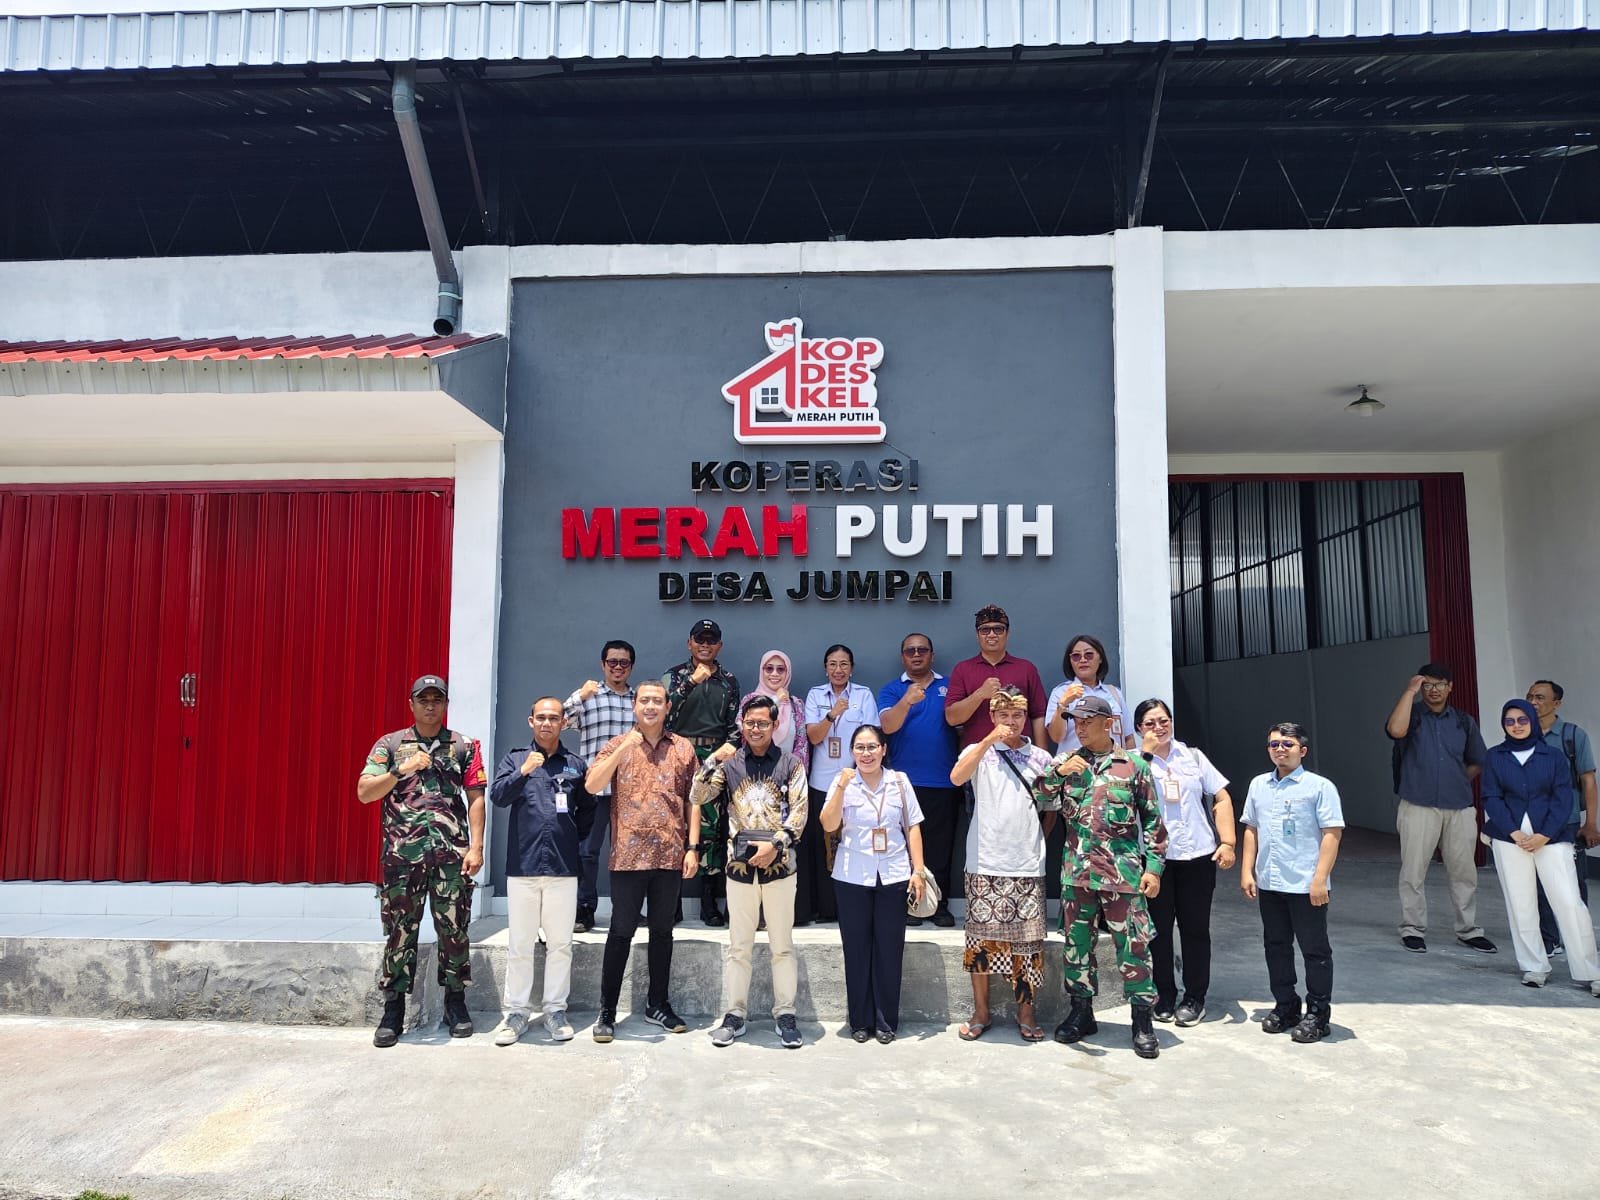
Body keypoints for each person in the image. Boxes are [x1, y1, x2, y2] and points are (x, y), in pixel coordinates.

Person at [1032, 695, 1166, 1060]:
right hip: (1077, 874)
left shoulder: (1133, 765)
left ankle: (1142, 1019)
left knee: (1134, 947)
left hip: (1123, 874)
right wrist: (1059, 773)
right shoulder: (1067, 763)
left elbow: (1153, 822)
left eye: (1088, 721)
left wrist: (1154, 869)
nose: (1080, 727)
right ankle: (1081, 1012)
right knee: (1077, 947)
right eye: (1076, 721)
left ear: (1108, 724)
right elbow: (1038, 793)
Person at [357, 674, 487, 1048]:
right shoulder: (390, 745)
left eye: (437, 699)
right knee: (400, 932)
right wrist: (401, 769)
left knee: (454, 930)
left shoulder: (464, 745)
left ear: (445, 704)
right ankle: (393, 1010)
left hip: (451, 857)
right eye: (424, 700)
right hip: (403, 858)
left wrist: (476, 847)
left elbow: (476, 798)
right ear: (411, 704)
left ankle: (455, 1004)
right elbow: (365, 792)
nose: (430, 706)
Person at [584, 682, 700, 1042]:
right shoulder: (617, 744)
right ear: (634, 706)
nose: (650, 706)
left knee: (662, 932)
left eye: (657, 701)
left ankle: (657, 1004)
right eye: (644, 700)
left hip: (669, 854)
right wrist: (623, 750)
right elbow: (592, 785)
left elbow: (693, 799)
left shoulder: (682, 748)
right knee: (621, 931)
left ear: (667, 707)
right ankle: (607, 1010)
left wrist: (693, 847)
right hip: (628, 856)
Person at [691, 696, 810, 1049]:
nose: (756, 729)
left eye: (763, 723)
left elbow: (800, 812)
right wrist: (713, 759)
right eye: (750, 723)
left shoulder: (790, 764)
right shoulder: (731, 765)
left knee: (782, 946)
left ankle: (785, 1014)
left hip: (780, 868)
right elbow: (698, 795)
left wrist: (776, 844)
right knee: (739, 947)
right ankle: (734, 1015)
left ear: (775, 725)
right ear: (742, 725)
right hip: (739, 868)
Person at [948, 688, 1055, 1042]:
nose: (1011, 722)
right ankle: (982, 1011)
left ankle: (1026, 1013)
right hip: (984, 860)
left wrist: (1036, 840)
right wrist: (987, 741)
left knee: (1028, 944)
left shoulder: (1040, 757)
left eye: (1017, 715)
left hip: (1026, 862)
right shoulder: (978, 751)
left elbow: (1051, 807)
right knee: (980, 941)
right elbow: (957, 777)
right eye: (1004, 715)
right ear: (993, 717)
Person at [488, 697, 596, 1046]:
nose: (547, 723)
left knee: (560, 944)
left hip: (563, 868)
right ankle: (516, 1012)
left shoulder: (575, 764)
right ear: (531, 721)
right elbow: (498, 796)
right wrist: (522, 772)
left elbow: (588, 811)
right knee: (520, 943)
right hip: (523, 866)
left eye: (554, 718)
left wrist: (571, 839)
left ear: (564, 723)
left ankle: (555, 1010)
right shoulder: (515, 759)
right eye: (541, 718)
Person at [1479, 698, 1600, 995]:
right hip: (1510, 838)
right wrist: (1513, 832)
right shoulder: (1495, 756)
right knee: (1520, 903)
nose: (1516, 726)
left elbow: (1563, 797)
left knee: (1569, 901)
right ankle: (1534, 966)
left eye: (1522, 720)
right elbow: (1491, 796)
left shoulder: (1553, 756)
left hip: (1552, 837)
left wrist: (1544, 834)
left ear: (1532, 721)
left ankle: (1590, 971)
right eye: (1510, 721)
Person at [1133, 698, 1237, 1028]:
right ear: (1139, 729)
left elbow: (1221, 796)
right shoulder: (1134, 761)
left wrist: (1228, 842)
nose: (1158, 728)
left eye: (1163, 720)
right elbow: (1127, 795)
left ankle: (1195, 997)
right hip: (1155, 861)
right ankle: (1164, 994)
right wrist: (1146, 755)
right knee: (1158, 931)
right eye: (1150, 723)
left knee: (1195, 929)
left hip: (1197, 857)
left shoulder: (1192, 757)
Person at [821, 724, 928, 1043]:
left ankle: (885, 1021)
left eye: (872, 747)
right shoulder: (843, 781)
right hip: (852, 874)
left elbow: (912, 827)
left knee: (889, 949)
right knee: (856, 949)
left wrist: (918, 870)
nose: (866, 753)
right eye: (860, 748)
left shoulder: (900, 781)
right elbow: (828, 823)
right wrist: (842, 785)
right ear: (852, 752)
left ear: (883, 750)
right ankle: (859, 1021)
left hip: (894, 873)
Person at [1240, 722, 1345, 1044]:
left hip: (1305, 884)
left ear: (1303, 750)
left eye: (1287, 744)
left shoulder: (1319, 787)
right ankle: (1286, 1005)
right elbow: (1251, 829)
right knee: (1276, 946)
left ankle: (1318, 1014)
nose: (1280, 749)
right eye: (1274, 744)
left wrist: (1319, 879)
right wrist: (1247, 871)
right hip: (1270, 882)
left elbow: (1332, 833)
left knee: (1315, 950)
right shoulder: (1259, 785)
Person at [1385, 663, 1495, 955]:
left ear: (1450, 687)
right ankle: (1412, 929)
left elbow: (1477, 760)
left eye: (1439, 684)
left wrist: (1456, 780)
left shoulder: (1462, 721)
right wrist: (1409, 693)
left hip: (1458, 807)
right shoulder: (1412, 716)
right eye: (1427, 685)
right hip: (1417, 805)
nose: (1433, 690)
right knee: (1413, 871)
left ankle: (1468, 930)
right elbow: (1395, 730)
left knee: (1464, 872)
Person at [663, 618, 742, 927]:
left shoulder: (729, 681)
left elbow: (734, 727)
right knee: (674, 823)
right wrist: (691, 682)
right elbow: (661, 713)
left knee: (710, 827)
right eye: (700, 639)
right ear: (690, 643)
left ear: (719, 645)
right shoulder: (674, 676)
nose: (705, 645)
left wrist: (726, 752)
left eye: (711, 640)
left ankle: (709, 901)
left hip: (713, 757)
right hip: (678, 753)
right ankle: (671, 903)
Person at [879, 632, 961, 927]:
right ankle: (910, 905)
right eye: (910, 650)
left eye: (922, 650)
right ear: (902, 656)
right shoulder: (892, 690)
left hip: (943, 781)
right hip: (903, 783)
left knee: (940, 848)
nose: (916, 654)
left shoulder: (949, 686)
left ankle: (938, 905)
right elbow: (887, 725)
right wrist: (907, 701)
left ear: (931, 654)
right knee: (903, 849)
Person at [798, 644, 880, 925]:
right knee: (822, 846)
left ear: (852, 669)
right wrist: (832, 714)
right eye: (832, 664)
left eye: (844, 664)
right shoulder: (815, 695)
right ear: (825, 668)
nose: (838, 670)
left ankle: (852, 906)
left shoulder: (863, 695)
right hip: (822, 782)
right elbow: (813, 736)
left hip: (855, 781)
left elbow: (871, 736)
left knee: (853, 843)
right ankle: (826, 908)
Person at [562, 639, 637, 933]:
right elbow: (558, 722)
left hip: (630, 791)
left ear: (631, 666)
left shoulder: (638, 700)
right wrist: (579, 696)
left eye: (624, 662)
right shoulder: (589, 696)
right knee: (587, 851)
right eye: (612, 662)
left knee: (629, 853)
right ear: (602, 664)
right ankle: (584, 909)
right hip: (594, 789)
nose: (618, 667)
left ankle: (627, 911)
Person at [1526, 679, 1599, 956]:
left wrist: (1590, 823)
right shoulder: (1522, 733)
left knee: (1573, 884)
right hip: (1531, 822)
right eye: (1530, 697)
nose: (1533, 702)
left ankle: (1580, 940)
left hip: (1566, 822)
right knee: (1537, 884)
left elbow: (1588, 781)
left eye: (1540, 697)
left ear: (1556, 703)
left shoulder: (1572, 736)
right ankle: (1549, 939)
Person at [944, 604, 1047, 748]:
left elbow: (1038, 716)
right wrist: (979, 694)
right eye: (985, 630)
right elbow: (952, 718)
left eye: (998, 629)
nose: (992, 634)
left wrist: (1042, 755)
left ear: (1007, 633)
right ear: (977, 635)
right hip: (978, 754)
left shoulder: (1026, 669)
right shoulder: (963, 669)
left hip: (1018, 753)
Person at [1045, 634, 1132, 752]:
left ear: (1100, 658)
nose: (1083, 660)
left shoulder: (1114, 693)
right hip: (1075, 762)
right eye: (1076, 656)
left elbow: (1128, 737)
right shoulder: (1061, 692)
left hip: (1113, 761)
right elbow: (1056, 737)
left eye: (1089, 654)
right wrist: (1062, 704)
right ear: (1070, 661)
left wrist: (1132, 763)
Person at [741, 650, 809, 770]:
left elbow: (801, 745)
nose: (774, 673)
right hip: (753, 772)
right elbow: (743, 730)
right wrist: (775, 700)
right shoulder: (749, 700)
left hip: (786, 773)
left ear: (787, 673)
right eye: (769, 668)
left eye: (781, 669)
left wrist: (793, 773)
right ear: (762, 671)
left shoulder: (796, 705)